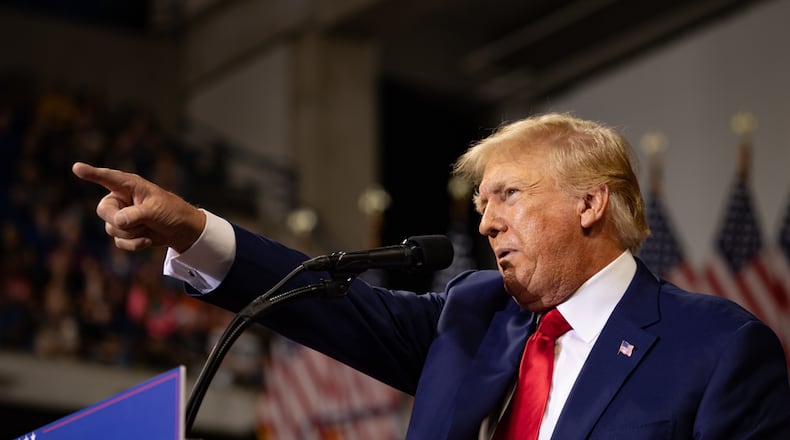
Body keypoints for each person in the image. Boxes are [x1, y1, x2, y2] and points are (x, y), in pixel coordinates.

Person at [72, 112, 790, 439]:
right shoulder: (475, 313)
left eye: (508, 194)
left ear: (590, 203)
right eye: (481, 204)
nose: (485, 223)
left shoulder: (718, 348)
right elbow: (327, 302)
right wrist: (193, 230)